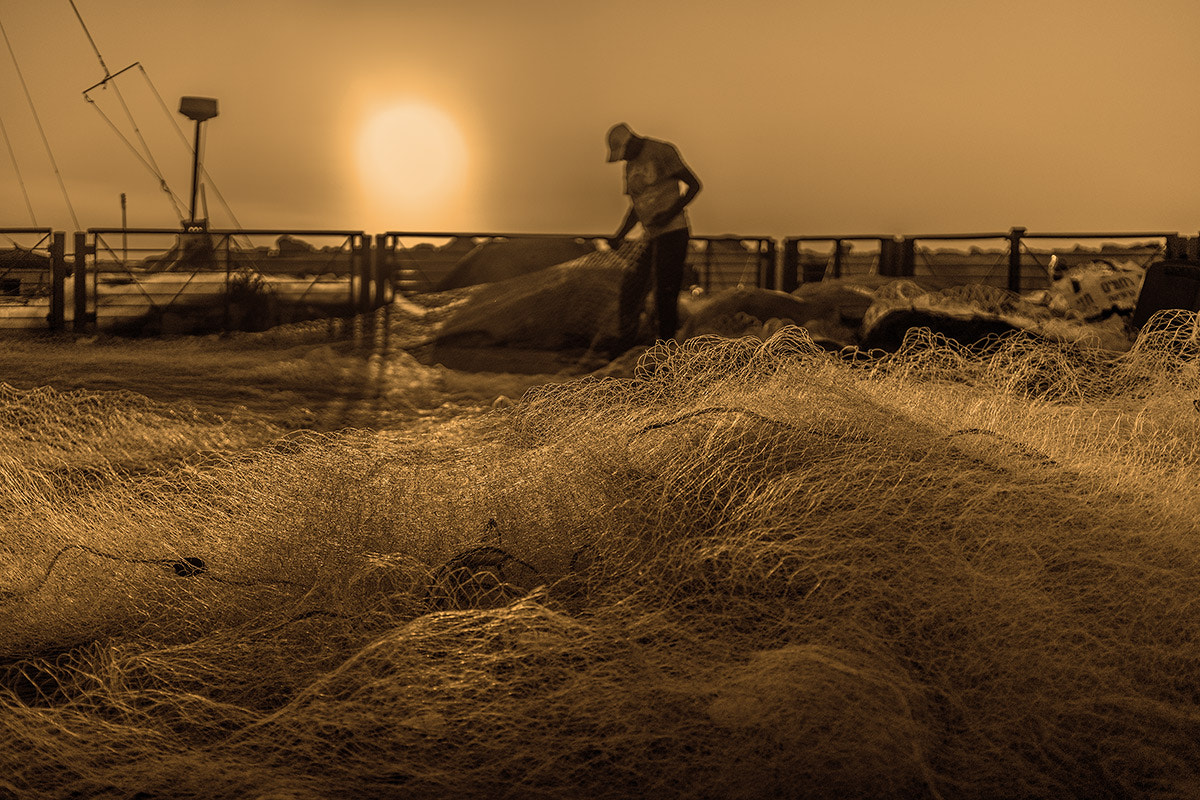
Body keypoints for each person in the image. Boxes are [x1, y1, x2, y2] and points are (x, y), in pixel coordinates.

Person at [605, 122, 702, 355]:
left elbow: (694, 185)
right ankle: (625, 343)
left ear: (632, 142)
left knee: (665, 293)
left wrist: (668, 214)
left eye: (624, 152)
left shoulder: (662, 152)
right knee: (632, 286)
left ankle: (666, 350)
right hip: (650, 236)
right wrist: (620, 234)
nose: (624, 158)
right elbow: (636, 207)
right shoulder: (629, 168)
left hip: (674, 233)